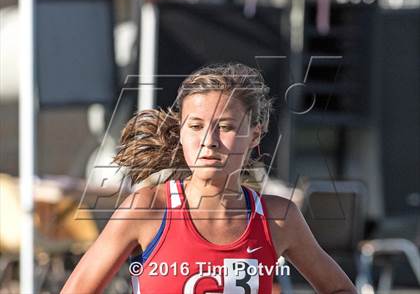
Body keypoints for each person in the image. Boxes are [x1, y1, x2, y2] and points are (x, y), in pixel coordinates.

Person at [62, 63, 357, 293]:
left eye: (226, 126)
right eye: (196, 126)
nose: (209, 141)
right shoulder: (147, 209)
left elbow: (341, 289)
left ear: (255, 133)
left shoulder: (278, 218)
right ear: (180, 132)